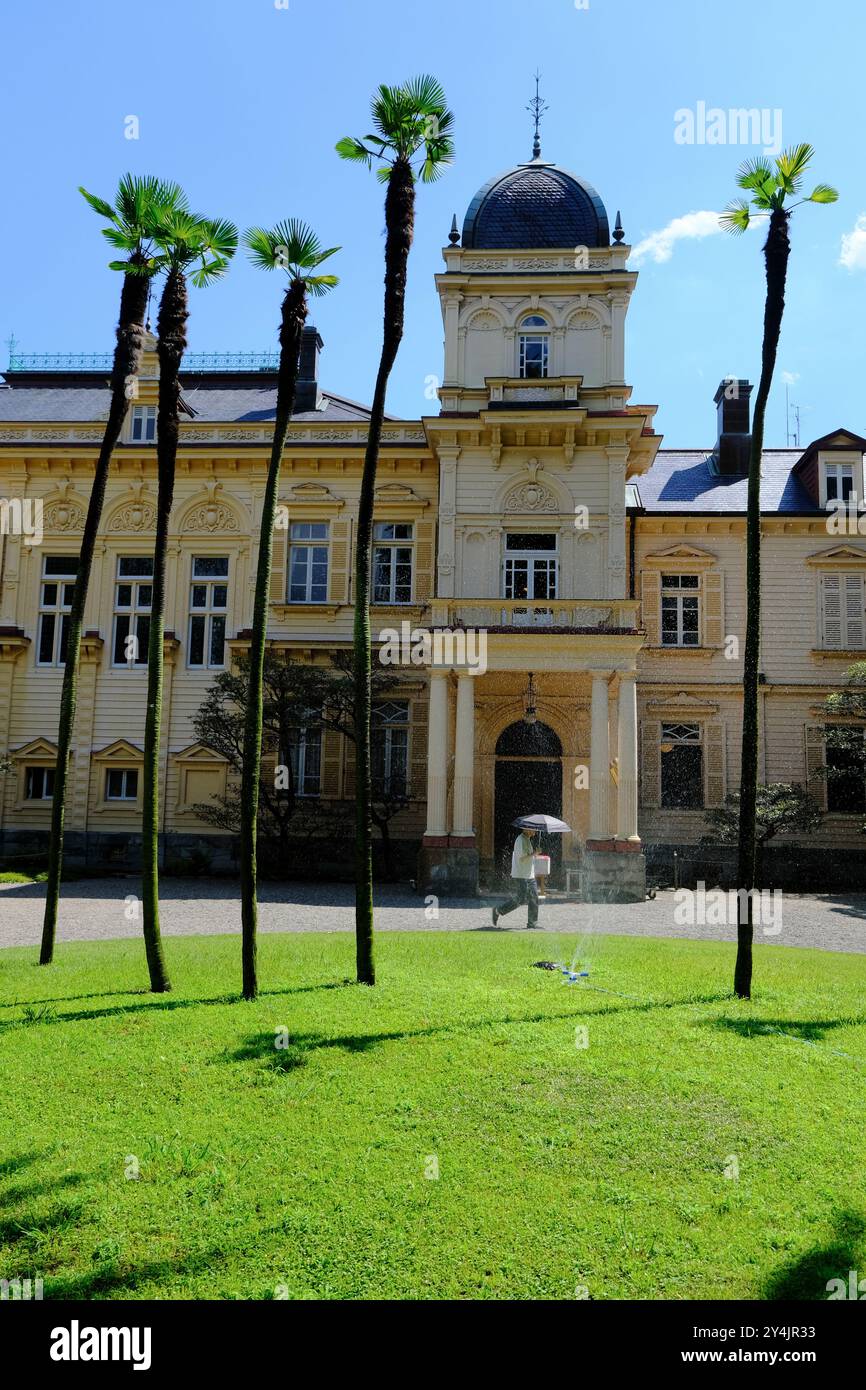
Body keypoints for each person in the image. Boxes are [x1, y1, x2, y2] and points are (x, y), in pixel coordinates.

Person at [493, 826, 539, 928]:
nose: (535, 831)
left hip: (529, 874)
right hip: (521, 875)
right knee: (521, 899)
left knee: (534, 897)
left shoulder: (527, 839)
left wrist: (534, 854)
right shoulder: (520, 840)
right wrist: (534, 854)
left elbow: (527, 856)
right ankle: (498, 910)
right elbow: (522, 858)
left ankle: (532, 923)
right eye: (533, 829)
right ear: (526, 829)